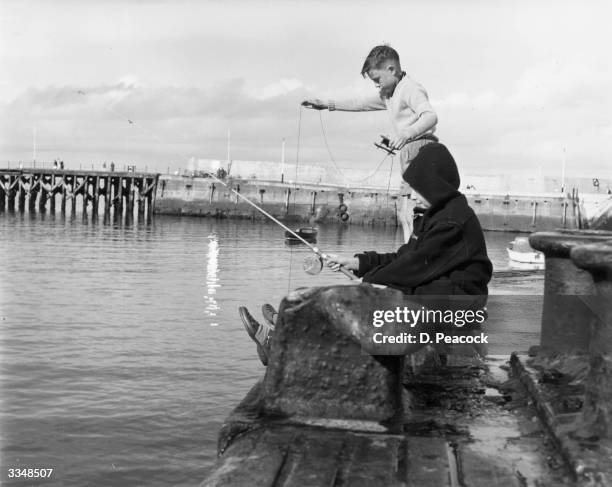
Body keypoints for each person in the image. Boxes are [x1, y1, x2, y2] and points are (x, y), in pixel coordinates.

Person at [242, 143, 492, 365]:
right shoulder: (435, 215)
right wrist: (359, 263)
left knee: (353, 307)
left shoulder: (452, 222)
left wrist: (371, 282)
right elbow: (405, 257)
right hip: (433, 297)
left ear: (436, 186)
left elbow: (414, 267)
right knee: (351, 303)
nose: (412, 195)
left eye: (419, 188)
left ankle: (283, 335)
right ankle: (287, 327)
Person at [302, 44, 438, 243]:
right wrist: (326, 104)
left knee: (415, 211)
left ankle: (416, 257)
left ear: (392, 69)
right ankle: (410, 254)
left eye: (377, 80)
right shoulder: (390, 93)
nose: (378, 86)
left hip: (420, 150)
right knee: (405, 212)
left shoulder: (410, 88)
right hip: (409, 153)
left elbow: (430, 116)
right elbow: (361, 103)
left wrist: (407, 134)